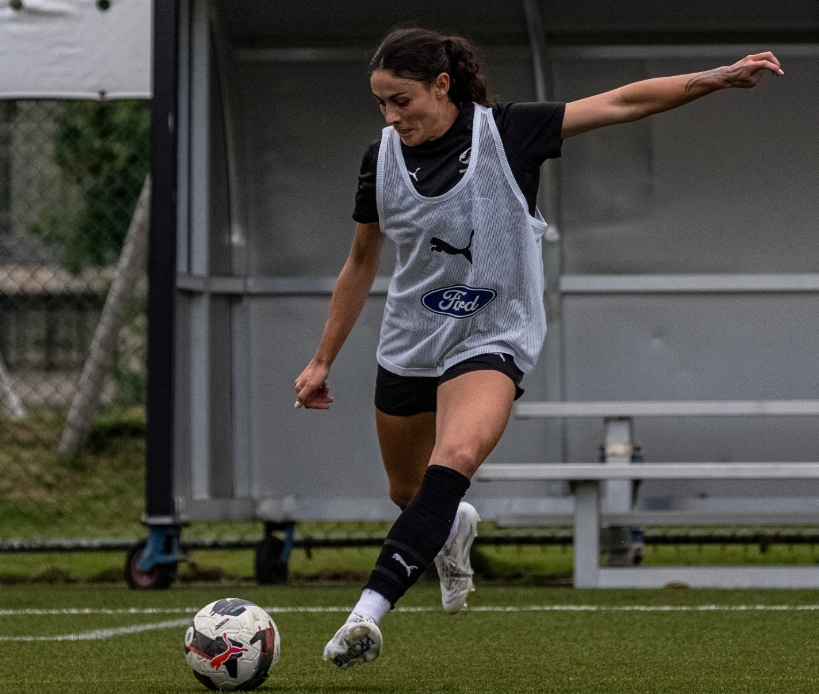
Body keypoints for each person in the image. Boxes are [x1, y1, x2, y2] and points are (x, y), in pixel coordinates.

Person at [294, 27, 783, 669]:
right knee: (410, 494)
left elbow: (622, 102)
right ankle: (453, 526)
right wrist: (322, 359)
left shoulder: (509, 133)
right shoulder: (380, 159)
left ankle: (366, 615)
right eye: (381, 103)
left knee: (456, 456)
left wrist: (716, 77)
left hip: (494, 333)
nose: (391, 116)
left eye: (401, 100)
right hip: (412, 337)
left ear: (441, 85)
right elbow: (361, 262)